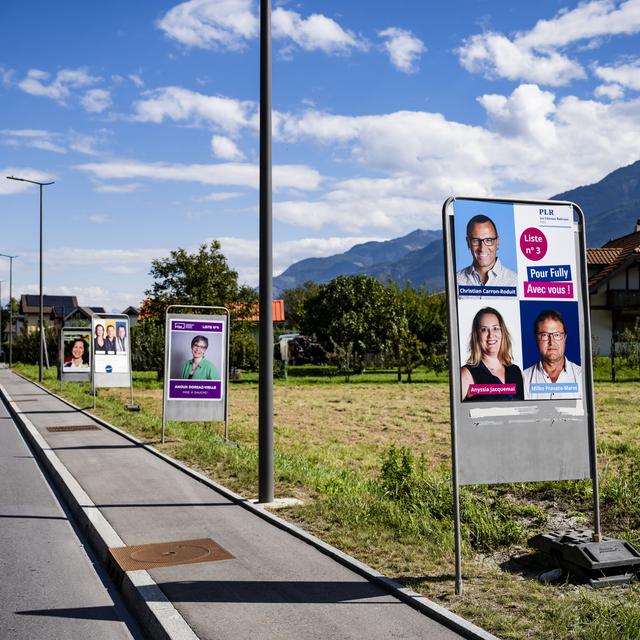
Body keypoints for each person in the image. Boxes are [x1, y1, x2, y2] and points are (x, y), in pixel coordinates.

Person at [461, 307, 524, 401]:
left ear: (502, 333)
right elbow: (457, 413)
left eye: (495, 328)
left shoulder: (515, 371)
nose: (491, 335)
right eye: (484, 329)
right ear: (476, 336)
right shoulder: (466, 373)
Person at [523, 309, 581, 400]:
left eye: (557, 335)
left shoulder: (582, 376)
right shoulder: (524, 379)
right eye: (544, 335)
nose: (551, 342)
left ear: (564, 338)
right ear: (536, 339)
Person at [456, 214, 517, 287]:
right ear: (468, 243)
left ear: (497, 242)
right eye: (476, 241)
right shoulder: (456, 281)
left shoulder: (516, 282)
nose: (482, 248)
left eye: (488, 240)